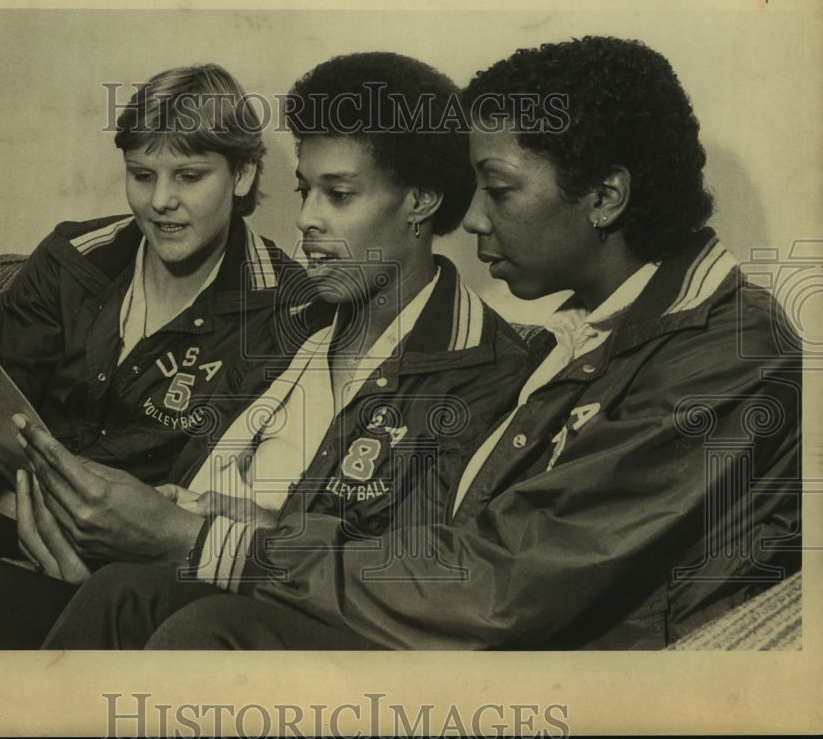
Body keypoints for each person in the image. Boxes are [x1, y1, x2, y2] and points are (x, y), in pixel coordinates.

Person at [94, 36, 801, 650]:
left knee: (212, 631)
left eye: (498, 190)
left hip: (572, 679)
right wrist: (240, 528)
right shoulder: (593, 330)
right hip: (485, 630)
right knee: (130, 596)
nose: (474, 221)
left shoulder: (726, 350)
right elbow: (453, 549)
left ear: (605, 197)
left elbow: (503, 583)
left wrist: (214, 545)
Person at [14, 51, 532, 648]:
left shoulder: (483, 368)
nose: (306, 219)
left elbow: (417, 580)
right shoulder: (284, 321)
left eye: (338, 195)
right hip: (154, 593)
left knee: (146, 606)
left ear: (420, 201)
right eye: (304, 191)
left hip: (287, 643)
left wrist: (194, 538)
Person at [0, 64, 316, 647]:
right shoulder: (74, 255)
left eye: (189, 177)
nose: (161, 202)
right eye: (142, 175)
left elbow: (229, 511)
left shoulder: (290, 315)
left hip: (106, 580)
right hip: (3, 513)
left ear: (242, 175)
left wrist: (106, 570)